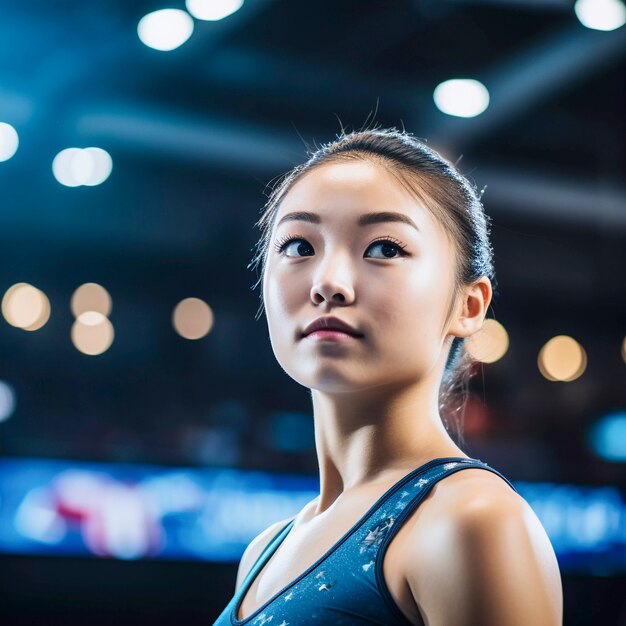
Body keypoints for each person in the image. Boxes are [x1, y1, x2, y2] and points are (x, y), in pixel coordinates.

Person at [213, 127, 563, 625]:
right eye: (298, 246)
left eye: (383, 249)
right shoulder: (264, 553)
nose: (328, 282)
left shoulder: (471, 520)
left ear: (469, 304)